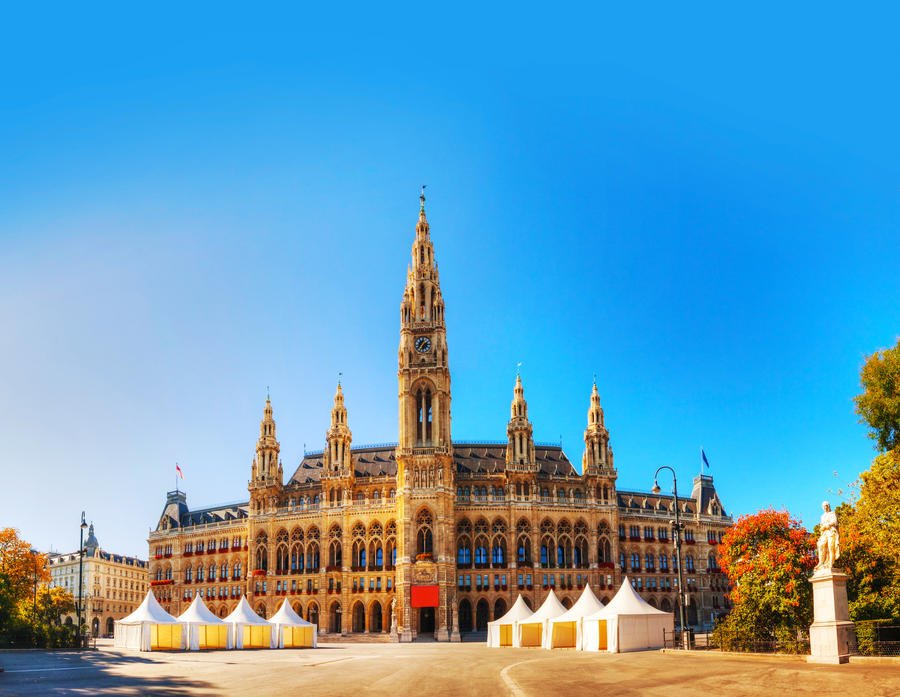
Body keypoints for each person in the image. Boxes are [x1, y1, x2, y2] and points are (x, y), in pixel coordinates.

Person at [815, 501, 840, 570]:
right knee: (821, 545)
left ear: (828, 506)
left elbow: (835, 522)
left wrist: (827, 525)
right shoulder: (822, 516)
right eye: (824, 506)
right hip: (824, 532)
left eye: (826, 505)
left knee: (830, 547)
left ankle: (830, 563)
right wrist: (822, 527)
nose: (825, 507)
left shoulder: (832, 514)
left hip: (831, 531)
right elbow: (821, 524)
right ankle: (821, 562)